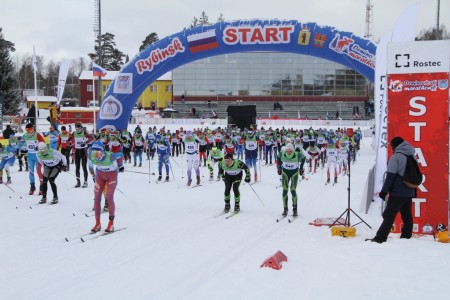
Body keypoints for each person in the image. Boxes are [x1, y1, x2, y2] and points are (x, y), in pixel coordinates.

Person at [366, 137, 416, 243]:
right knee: (407, 215)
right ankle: (406, 237)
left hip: (398, 192)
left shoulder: (396, 157)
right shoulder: (412, 155)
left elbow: (390, 176)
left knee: (388, 215)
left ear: (395, 146)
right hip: (409, 191)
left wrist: (384, 191)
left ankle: (380, 238)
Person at [88, 141, 124, 233]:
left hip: (112, 175)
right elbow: (90, 164)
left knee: (109, 196)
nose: (96, 154)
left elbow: (121, 154)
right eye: (94, 152)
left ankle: (111, 223)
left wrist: (120, 165)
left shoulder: (111, 156)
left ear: (103, 151)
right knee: (96, 198)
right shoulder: (90, 155)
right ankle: (97, 223)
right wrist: (92, 174)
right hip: (100, 175)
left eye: (98, 152)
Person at [277, 143, 305, 217]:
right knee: (285, 190)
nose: (288, 152)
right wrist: (279, 167)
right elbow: (278, 157)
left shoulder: (297, 154)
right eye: (287, 150)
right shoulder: (282, 153)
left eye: (290, 151)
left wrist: (301, 168)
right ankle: (285, 208)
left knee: (293, 190)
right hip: (285, 173)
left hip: (294, 173)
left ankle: (295, 208)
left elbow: (304, 158)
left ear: (293, 150)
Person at [23, 123, 45, 194]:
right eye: (27, 129)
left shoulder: (37, 135)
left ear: (32, 129)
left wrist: (39, 146)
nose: (28, 131)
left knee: (38, 171)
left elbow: (43, 144)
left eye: (29, 129)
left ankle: (42, 186)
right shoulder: (25, 136)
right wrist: (22, 148)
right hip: (30, 156)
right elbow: (22, 144)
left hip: (37, 156)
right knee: (31, 172)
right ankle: (32, 186)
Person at [71, 122, 92, 188]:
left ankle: (85, 182)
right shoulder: (74, 133)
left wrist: (85, 142)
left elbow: (91, 138)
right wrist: (69, 143)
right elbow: (70, 139)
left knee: (84, 166)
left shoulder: (84, 133)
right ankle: (78, 182)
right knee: (77, 167)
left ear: (81, 128)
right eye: (76, 129)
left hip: (83, 151)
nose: (77, 130)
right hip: (77, 150)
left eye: (79, 128)